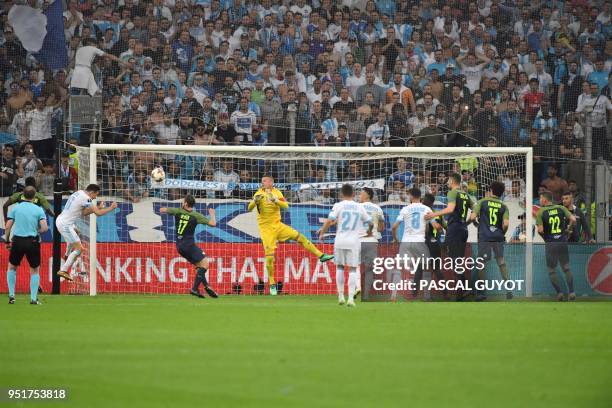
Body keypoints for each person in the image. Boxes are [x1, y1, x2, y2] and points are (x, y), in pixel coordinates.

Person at [249, 176, 333, 296]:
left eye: (265, 181)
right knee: (269, 258)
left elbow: (286, 206)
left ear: (271, 182)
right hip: (266, 230)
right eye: (262, 181)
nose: (263, 183)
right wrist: (255, 202)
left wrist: (275, 201)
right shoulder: (258, 194)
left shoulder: (277, 192)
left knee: (301, 237)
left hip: (278, 226)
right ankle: (272, 284)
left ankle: (321, 255)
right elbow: (249, 208)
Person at [318, 184, 372, 307]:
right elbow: (370, 222)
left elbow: (329, 220)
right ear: (353, 194)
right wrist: (369, 231)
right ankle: (351, 299)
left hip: (340, 240)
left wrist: (322, 232)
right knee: (352, 269)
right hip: (354, 241)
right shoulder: (359, 207)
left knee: (340, 267)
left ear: (341, 194)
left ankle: (341, 295)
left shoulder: (338, 205)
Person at [426, 172, 473, 300]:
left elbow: (450, 209)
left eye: (448, 180)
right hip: (463, 229)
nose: (447, 182)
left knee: (454, 260)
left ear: (452, 181)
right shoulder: (466, 194)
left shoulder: (452, 192)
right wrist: (468, 222)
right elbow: (474, 211)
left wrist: (433, 215)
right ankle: (463, 290)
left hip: (455, 229)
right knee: (456, 259)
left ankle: (461, 293)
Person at [160, 195, 218, 298]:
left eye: (183, 201)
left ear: (186, 203)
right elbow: (213, 224)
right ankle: (194, 289)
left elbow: (162, 209)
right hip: (189, 245)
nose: (182, 203)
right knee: (205, 263)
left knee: (199, 266)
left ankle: (206, 286)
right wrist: (212, 214)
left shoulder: (177, 211)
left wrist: (166, 209)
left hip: (179, 247)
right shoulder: (196, 215)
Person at [55, 184, 117, 281]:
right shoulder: (87, 198)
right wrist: (111, 208)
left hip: (63, 221)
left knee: (77, 232)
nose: (95, 197)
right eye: (95, 195)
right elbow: (98, 214)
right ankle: (63, 270)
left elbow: (83, 213)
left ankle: (67, 254)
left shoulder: (79, 192)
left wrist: (97, 207)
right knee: (80, 249)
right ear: (92, 192)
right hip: (66, 225)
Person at [5, 186, 48, 305]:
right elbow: (44, 228)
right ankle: (33, 299)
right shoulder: (38, 209)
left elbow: (8, 226)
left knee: (12, 267)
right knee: (34, 270)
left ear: (23, 195)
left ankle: (12, 297)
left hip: (17, 240)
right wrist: (36, 231)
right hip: (32, 241)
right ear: (34, 196)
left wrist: (7, 240)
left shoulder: (16, 208)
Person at [469, 182, 511, 301]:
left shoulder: (483, 202)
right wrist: (502, 233)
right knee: (501, 262)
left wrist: (476, 223)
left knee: (482, 263)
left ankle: (482, 293)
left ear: (491, 190)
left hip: (485, 237)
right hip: (498, 237)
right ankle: (509, 289)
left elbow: (472, 217)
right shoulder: (504, 206)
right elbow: (506, 224)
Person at [392, 188, 433, 301]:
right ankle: (427, 297)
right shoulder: (426, 208)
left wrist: (395, 239)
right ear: (420, 197)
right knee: (426, 268)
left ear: (410, 196)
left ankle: (393, 296)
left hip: (406, 241)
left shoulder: (405, 209)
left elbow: (394, 226)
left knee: (399, 268)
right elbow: (432, 226)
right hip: (420, 241)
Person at [536, 191, 577, 301]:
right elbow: (573, 219)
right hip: (562, 241)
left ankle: (559, 293)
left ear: (545, 200)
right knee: (566, 267)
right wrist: (568, 230)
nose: (540, 201)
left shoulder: (541, 212)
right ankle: (572, 292)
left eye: (540, 198)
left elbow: (540, 230)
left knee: (551, 270)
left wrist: (546, 239)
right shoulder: (561, 208)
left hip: (550, 243)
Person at [359, 187, 385, 300]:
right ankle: (366, 295)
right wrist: (374, 230)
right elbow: (381, 228)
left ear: (367, 195)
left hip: (358, 241)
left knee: (355, 268)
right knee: (369, 269)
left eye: (361, 194)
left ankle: (355, 291)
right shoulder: (377, 208)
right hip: (371, 241)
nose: (359, 196)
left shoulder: (357, 207)